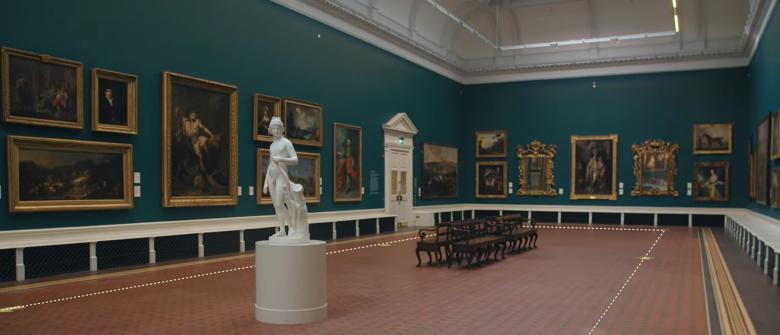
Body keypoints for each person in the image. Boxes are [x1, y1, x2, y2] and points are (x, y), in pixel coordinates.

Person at [263, 117, 301, 238]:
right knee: (276, 206)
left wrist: (281, 159)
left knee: (280, 203)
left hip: (281, 176)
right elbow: (270, 164)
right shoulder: (272, 146)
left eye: (278, 128)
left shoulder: (286, 143)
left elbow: (295, 159)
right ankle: (282, 230)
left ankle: (292, 226)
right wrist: (265, 182)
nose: (276, 130)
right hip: (271, 178)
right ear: (270, 130)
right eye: (274, 128)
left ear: (282, 129)